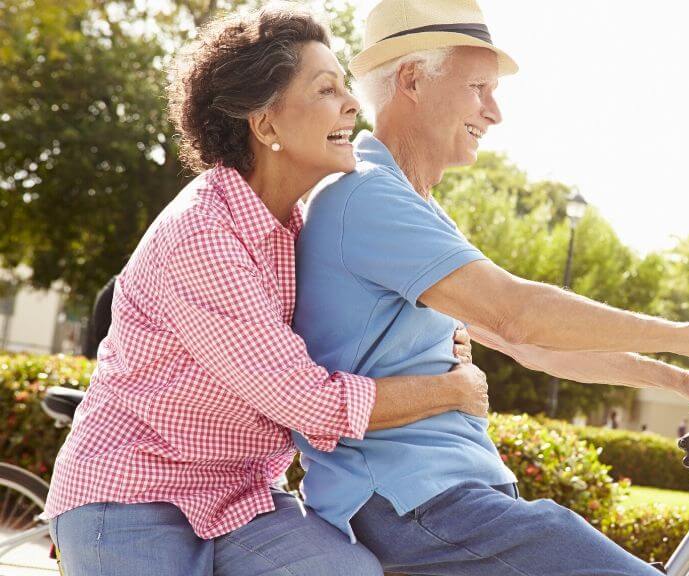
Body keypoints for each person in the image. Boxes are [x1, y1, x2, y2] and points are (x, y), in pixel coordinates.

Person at [289, 1, 689, 574]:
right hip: (410, 503)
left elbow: (528, 343)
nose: (494, 112)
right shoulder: (367, 197)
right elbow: (519, 314)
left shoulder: (412, 206)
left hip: (441, 500)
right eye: (478, 88)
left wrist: (684, 380)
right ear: (412, 79)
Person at [42, 5, 488, 575]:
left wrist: (443, 341)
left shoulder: (305, 228)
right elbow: (311, 402)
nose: (353, 104)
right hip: (131, 493)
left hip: (243, 497)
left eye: (346, 87)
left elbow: (367, 334)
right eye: (326, 89)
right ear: (267, 125)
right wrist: (454, 391)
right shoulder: (203, 233)